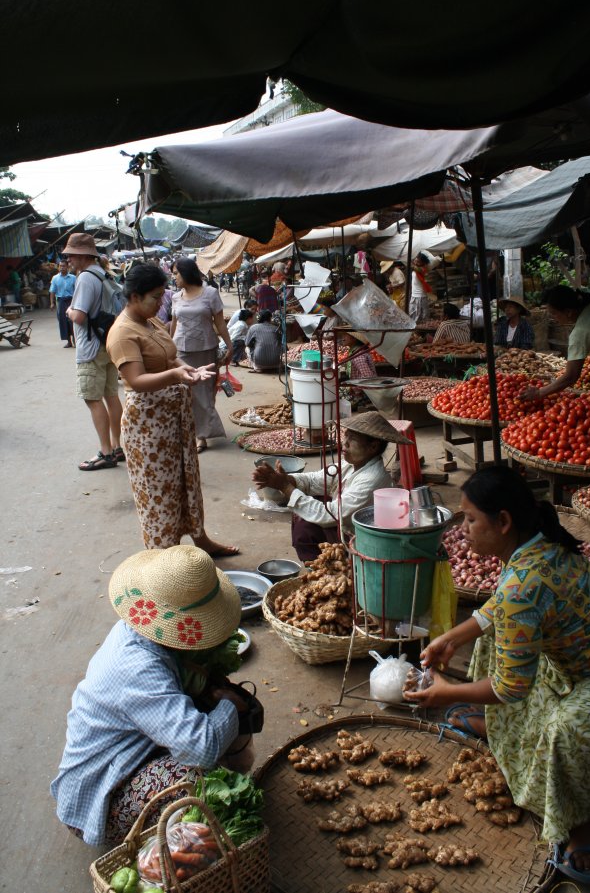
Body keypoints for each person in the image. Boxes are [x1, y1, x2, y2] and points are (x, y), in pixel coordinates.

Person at [404, 466, 590, 886]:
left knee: (571, 726)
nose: (464, 528)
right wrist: (456, 635)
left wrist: (447, 693)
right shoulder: (534, 545)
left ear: (503, 521)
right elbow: (500, 610)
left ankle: (588, 828)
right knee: (495, 637)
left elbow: (510, 687)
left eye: (471, 519)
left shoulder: (523, 584)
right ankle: (495, 724)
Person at [51, 544, 254, 846]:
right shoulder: (138, 669)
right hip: (100, 795)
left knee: (212, 718)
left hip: (130, 753)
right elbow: (203, 748)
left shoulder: (137, 629)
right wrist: (229, 706)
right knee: (201, 784)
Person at [106, 263, 238, 556]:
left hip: (173, 418)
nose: (161, 303)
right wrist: (177, 376)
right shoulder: (122, 333)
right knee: (159, 493)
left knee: (186, 480)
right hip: (148, 426)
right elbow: (136, 380)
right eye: (155, 297)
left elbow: (170, 357)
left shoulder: (150, 322)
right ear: (135, 296)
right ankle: (165, 559)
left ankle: (200, 538)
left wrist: (186, 369)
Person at [252, 411, 412, 562]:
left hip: (359, 542)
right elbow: (315, 480)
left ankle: (330, 568)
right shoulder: (351, 465)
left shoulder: (372, 479)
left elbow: (329, 515)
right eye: (346, 436)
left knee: (306, 515)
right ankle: (315, 565)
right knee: (306, 499)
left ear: (373, 447)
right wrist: (287, 479)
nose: (345, 443)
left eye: (352, 439)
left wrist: (286, 487)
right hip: (342, 525)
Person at [64, 233, 124, 471]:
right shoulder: (103, 273)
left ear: (83, 255)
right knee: (111, 395)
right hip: (107, 342)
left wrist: (68, 310)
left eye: (71, 255)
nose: (68, 259)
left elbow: (78, 316)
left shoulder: (85, 278)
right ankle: (117, 446)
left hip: (90, 347)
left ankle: (106, 452)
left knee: (92, 398)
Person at [523, 285, 590, 405]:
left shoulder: (580, 332)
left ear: (568, 312)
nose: (553, 318)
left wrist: (539, 393)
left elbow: (571, 376)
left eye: (554, 313)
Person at [171, 256, 232, 453]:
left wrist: (230, 345)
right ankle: (192, 430)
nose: (174, 278)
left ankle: (202, 435)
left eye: (176, 273)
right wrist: (168, 346)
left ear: (186, 273)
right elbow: (174, 323)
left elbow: (220, 323)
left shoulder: (210, 293)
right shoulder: (175, 297)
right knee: (186, 392)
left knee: (205, 392)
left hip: (206, 349)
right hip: (182, 349)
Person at [49, 258, 76, 347]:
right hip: (60, 301)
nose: (62, 268)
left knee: (72, 321)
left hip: (71, 301)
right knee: (63, 321)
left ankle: (75, 340)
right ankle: (69, 342)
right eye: (60, 266)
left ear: (67, 267)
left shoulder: (73, 278)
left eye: (64, 266)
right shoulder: (55, 278)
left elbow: (77, 290)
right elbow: (52, 291)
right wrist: (52, 303)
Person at [410, 252, 438, 322]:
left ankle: (422, 329)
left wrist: (411, 264)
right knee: (413, 313)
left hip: (420, 295)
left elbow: (417, 269)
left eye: (418, 260)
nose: (416, 260)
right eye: (416, 259)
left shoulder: (423, 269)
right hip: (414, 295)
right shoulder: (416, 268)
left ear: (422, 262)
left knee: (423, 315)